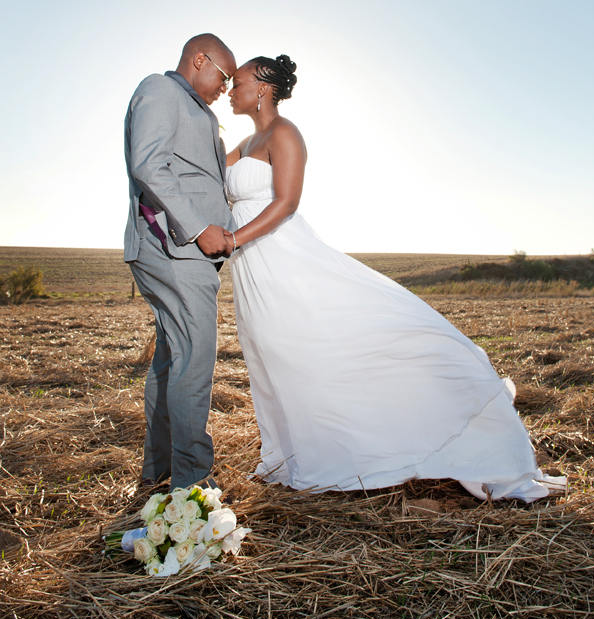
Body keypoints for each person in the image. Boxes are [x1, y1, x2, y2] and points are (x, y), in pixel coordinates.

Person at [223, 55, 566, 502]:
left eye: (240, 81)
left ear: (264, 87)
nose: (231, 89)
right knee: (279, 357)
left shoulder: (285, 134)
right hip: (255, 271)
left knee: (331, 340)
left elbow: (286, 203)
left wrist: (232, 240)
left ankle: (458, 432)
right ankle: (301, 453)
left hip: (284, 258)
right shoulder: (247, 141)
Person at [124, 33, 236, 490]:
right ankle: (193, 493)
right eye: (223, 77)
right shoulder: (159, 89)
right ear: (199, 59)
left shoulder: (199, 110)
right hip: (175, 248)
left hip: (188, 253)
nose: (225, 88)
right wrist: (198, 227)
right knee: (195, 366)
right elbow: (148, 164)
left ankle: (159, 479)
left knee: (172, 364)